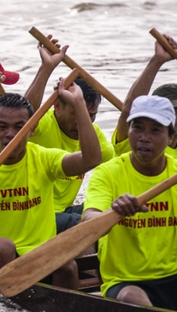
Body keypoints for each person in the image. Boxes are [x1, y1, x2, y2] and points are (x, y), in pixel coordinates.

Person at [83, 95, 177, 310]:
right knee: (132, 299)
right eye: (137, 128)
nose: (144, 138)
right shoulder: (107, 173)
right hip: (127, 283)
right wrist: (111, 213)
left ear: (170, 137)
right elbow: (89, 220)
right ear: (128, 131)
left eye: (155, 130)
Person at [0, 89, 102, 289]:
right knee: (3, 247)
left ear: (32, 129)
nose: (10, 135)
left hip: (37, 254)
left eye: (19, 127)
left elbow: (92, 159)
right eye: (2, 127)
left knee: (67, 266)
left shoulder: (44, 157)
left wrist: (78, 104)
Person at [112, 34, 177, 254]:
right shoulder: (132, 140)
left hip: (169, 218)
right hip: (132, 217)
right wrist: (157, 61)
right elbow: (128, 109)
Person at [23, 34, 114, 232]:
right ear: (57, 106)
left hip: (65, 212)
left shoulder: (96, 138)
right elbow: (22, 120)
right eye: (77, 112)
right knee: (86, 224)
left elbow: (119, 173)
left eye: (92, 114)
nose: (85, 121)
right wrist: (46, 69)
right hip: (32, 213)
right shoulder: (43, 123)